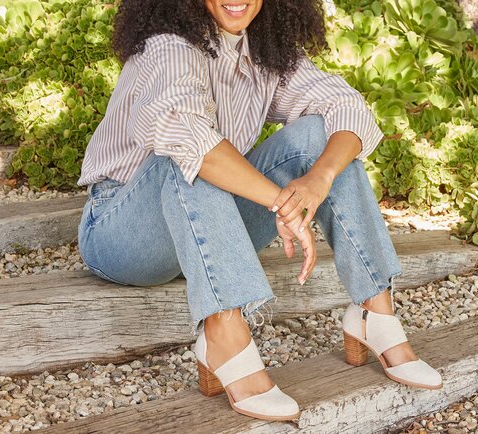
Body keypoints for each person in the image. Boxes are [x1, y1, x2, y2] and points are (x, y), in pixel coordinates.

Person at [76, 0, 443, 422]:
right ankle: (223, 334)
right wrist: (280, 202)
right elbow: (190, 139)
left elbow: (347, 108)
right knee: (184, 154)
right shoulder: (169, 47)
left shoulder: (265, 52)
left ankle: (373, 311)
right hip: (123, 234)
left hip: (209, 221)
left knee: (319, 134)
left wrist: (316, 181)